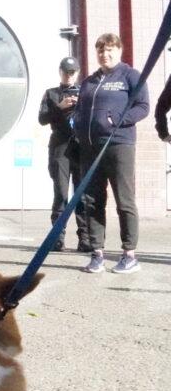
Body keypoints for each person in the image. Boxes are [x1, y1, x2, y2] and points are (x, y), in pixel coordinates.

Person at [73, 33, 149, 275]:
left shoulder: (130, 76)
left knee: (124, 200)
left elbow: (143, 107)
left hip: (119, 145)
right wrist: (76, 123)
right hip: (90, 148)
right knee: (92, 200)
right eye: (100, 51)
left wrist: (116, 120)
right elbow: (80, 108)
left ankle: (129, 254)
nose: (104, 55)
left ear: (119, 50)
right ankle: (97, 254)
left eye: (109, 50)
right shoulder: (90, 81)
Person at [37, 56, 90, 253]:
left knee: (81, 194)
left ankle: (85, 239)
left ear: (77, 73)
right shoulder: (51, 94)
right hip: (59, 146)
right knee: (61, 193)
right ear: (60, 71)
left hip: (80, 147)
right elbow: (42, 119)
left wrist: (80, 104)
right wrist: (59, 107)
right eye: (66, 71)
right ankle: (57, 239)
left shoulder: (85, 93)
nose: (69, 75)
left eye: (72, 72)